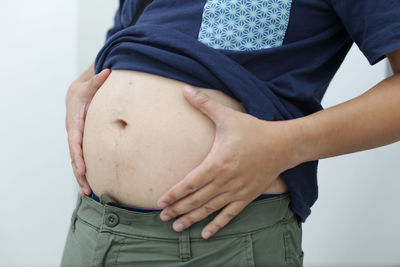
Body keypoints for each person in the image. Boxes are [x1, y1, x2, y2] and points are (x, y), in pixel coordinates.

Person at [62, 0, 400, 266]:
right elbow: (138, 38)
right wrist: (80, 86)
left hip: (216, 237)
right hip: (92, 227)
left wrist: (288, 145)